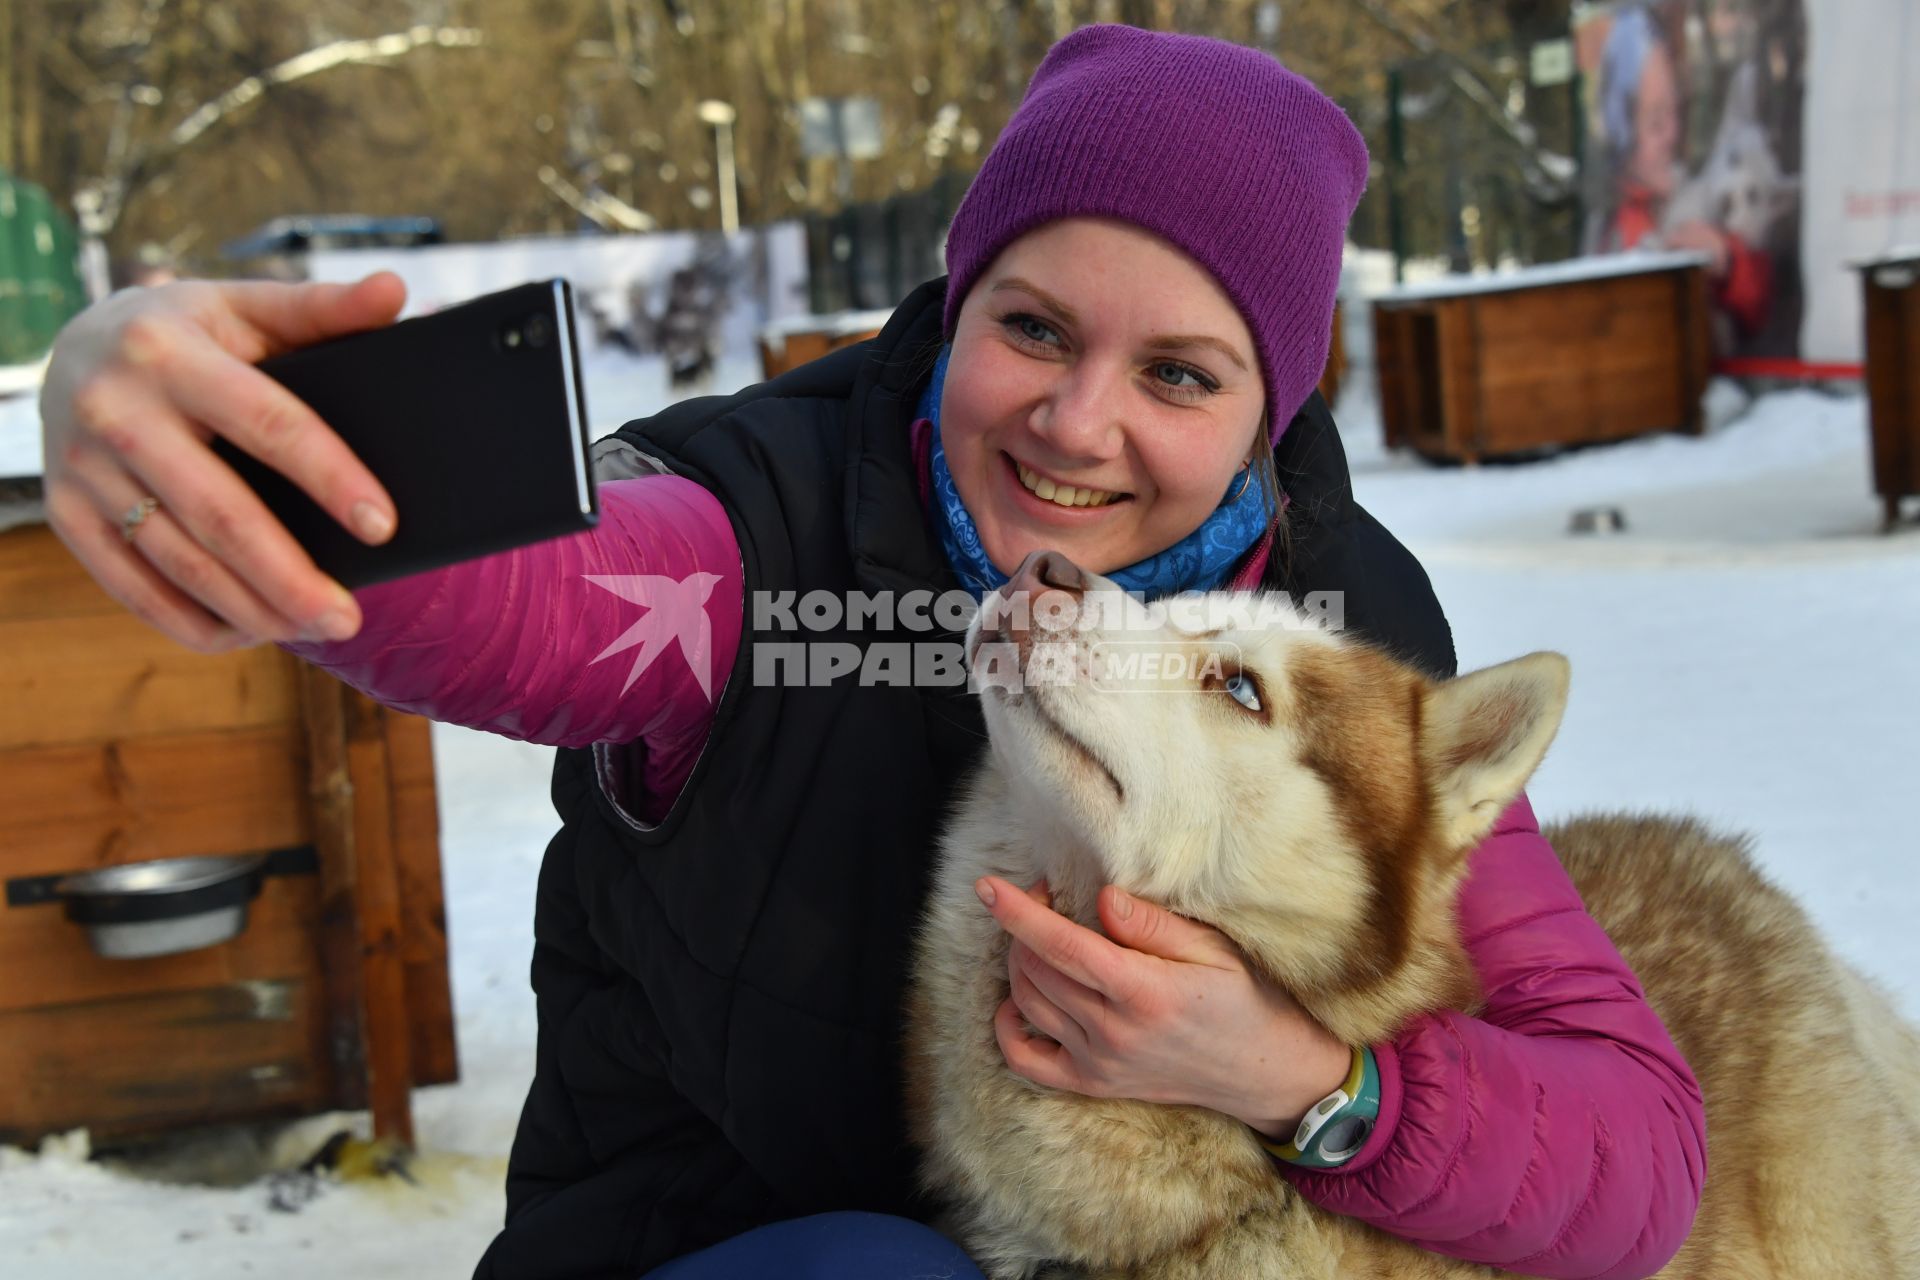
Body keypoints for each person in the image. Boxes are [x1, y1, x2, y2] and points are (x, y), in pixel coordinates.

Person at [39, 25, 1704, 1280]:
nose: (1077, 423)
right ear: (957, 306)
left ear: (1270, 415)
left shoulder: (1343, 636)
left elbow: (1634, 1147)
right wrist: (203, 439)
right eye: (1033, 326)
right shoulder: (767, 531)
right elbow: (546, 592)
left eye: (1181, 377)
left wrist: (1304, 1080)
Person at [1583, 3, 1773, 338]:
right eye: (1655, 122)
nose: (1671, 134)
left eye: (1675, 113)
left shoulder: (1702, 197)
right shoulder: (1603, 221)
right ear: (1622, 130)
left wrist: (1725, 259)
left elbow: (1763, 299)